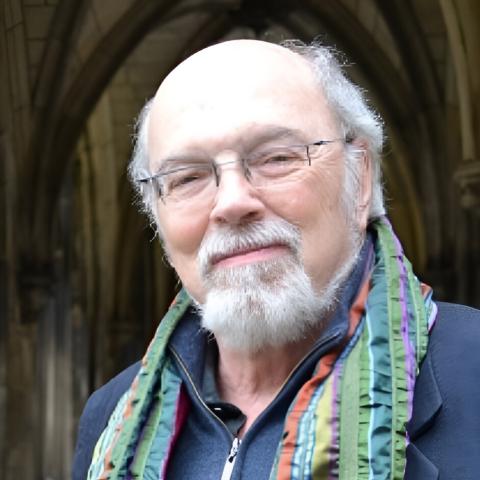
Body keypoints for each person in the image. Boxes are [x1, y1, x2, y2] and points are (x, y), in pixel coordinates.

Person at [72, 39, 480, 480]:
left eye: (276, 158)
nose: (231, 202)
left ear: (360, 177)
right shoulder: (109, 417)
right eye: (187, 177)